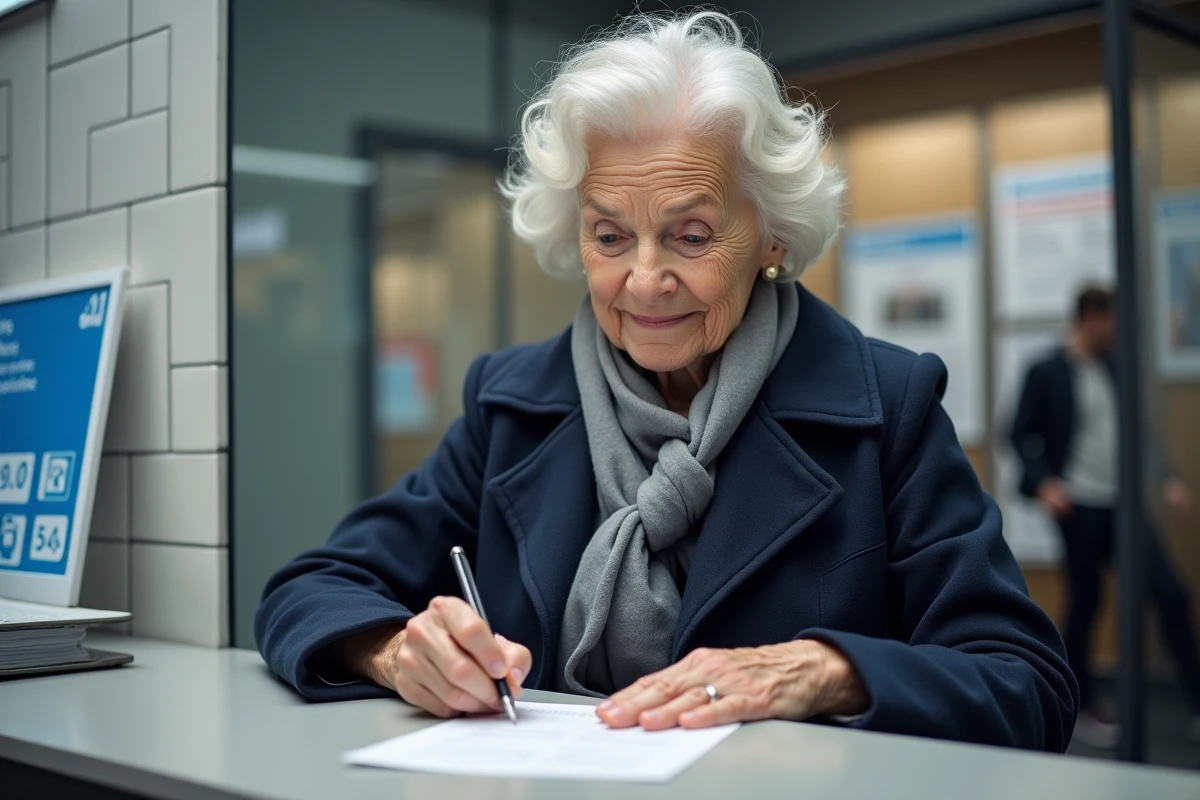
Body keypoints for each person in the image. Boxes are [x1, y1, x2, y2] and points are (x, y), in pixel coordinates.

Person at [256, 11, 1077, 751]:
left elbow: (1025, 681)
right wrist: (397, 651)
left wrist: (826, 673)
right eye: (610, 236)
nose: (644, 280)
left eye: (689, 235)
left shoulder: (885, 405)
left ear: (772, 237)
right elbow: (310, 589)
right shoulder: (511, 403)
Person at [1010, 286, 1200, 748]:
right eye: (1112, 320)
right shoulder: (1047, 370)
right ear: (1090, 316)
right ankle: (1083, 704)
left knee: (1171, 595)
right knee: (1087, 603)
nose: (1117, 330)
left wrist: (1166, 479)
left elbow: (1140, 432)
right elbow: (1017, 435)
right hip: (1080, 508)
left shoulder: (1115, 367)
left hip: (1124, 506)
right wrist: (1044, 483)